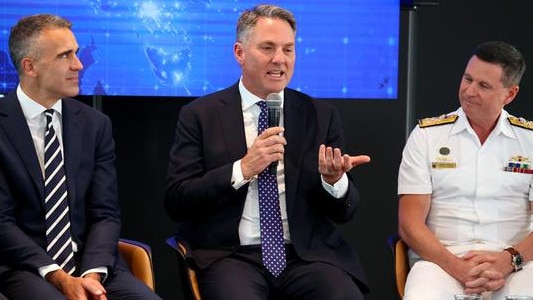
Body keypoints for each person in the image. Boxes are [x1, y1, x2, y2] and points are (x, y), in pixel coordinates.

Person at [165, 4, 370, 300]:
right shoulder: (200, 115)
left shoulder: (320, 115)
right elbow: (176, 200)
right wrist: (243, 169)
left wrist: (334, 182)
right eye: (267, 48)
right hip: (232, 256)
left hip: (304, 256)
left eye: (288, 50)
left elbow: (344, 212)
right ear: (239, 52)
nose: (279, 60)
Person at [0, 14, 161, 300]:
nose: (78, 64)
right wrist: (60, 278)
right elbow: (2, 223)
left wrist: (91, 276)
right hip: (24, 267)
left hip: (91, 265)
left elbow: (105, 213)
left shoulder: (95, 125)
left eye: (75, 52)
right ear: (30, 66)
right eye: (65, 56)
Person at [398, 40, 533, 299]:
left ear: (510, 94)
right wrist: (458, 267)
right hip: (441, 262)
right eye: (467, 79)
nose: (469, 91)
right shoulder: (427, 136)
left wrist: (508, 261)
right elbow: (409, 224)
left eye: (483, 86)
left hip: (516, 263)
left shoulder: (530, 141)